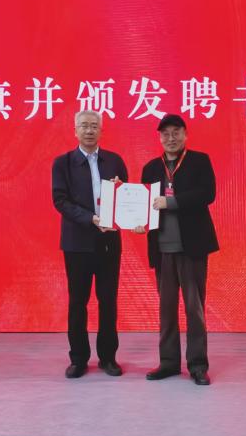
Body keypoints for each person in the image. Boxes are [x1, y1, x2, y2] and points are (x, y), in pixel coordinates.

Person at [135, 113, 218, 385]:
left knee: (195, 308)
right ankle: (169, 362)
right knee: (166, 309)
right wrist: (139, 222)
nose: (170, 138)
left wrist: (170, 203)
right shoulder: (151, 168)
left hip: (192, 248)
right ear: (159, 137)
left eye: (176, 132)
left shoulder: (199, 161)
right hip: (162, 249)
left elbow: (207, 194)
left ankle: (197, 365)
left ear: (185, 134)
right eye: (165, 134)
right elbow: (144, 204)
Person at [51, 110, 128, 379]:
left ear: (101, 131)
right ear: (75, 130)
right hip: (77, 243)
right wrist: (91, 219)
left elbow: (126, 197)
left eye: (94, 126)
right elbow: (60, 200)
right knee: (77, 302)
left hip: (108, 242)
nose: (89, 130)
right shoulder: (63, 163)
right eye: (84, 126)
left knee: (108, 301)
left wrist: (122, 190)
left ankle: (108, 358)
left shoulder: (114, 161)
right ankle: (78, 359)